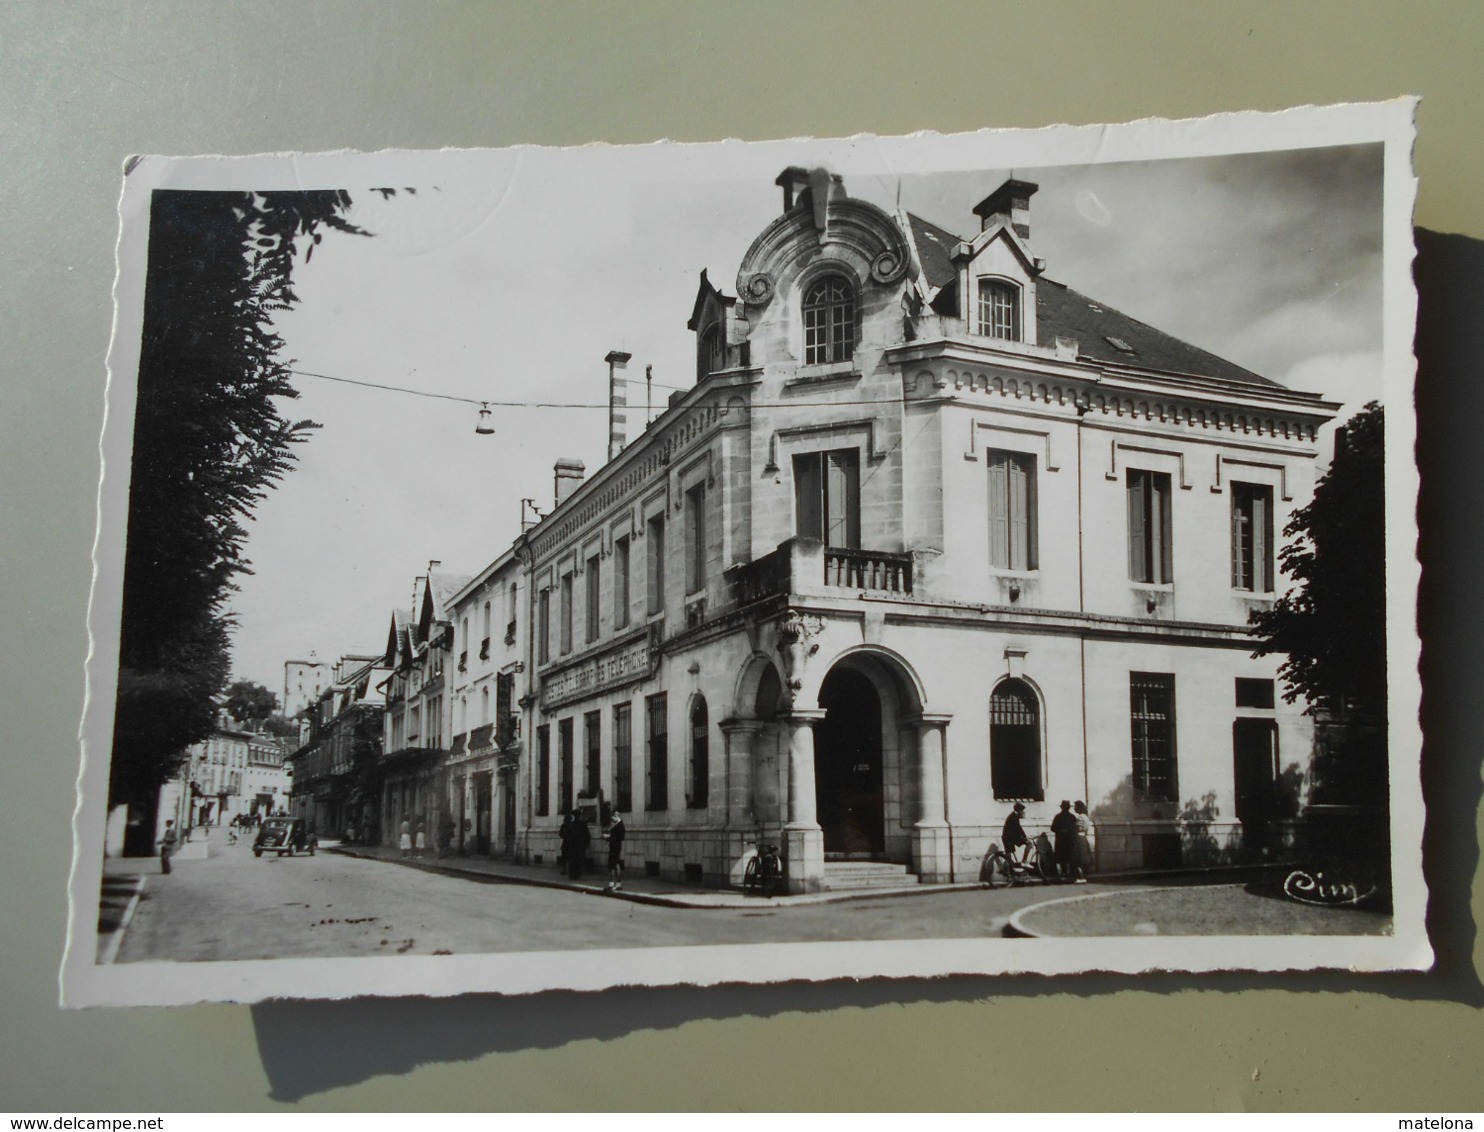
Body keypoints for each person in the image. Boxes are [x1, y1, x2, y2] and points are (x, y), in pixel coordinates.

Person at [1051, 799, 1079, 882]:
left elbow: (1053, 828)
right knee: (1068, 857)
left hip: (1060, 840)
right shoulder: (1072, 817)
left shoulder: (1058, 817)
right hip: (1068, 841)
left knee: (1060, 858)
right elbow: (1074, 829)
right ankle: (1068, 873)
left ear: (1062, 807)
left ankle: (1060, 874)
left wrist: (1060, 830)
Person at [1073, 800, 1095, 883]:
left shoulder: (1080, 817)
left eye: (1075, 807)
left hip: (1079, 837)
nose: (1074, 809)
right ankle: (1083, 876)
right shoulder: (1085, 816)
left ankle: (1081, 877)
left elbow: (1078, 828)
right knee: (1082, 857)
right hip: (1083, 837)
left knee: (1078, 857)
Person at [605, 815, 626, 892]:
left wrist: (608, 838)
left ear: (616, 816)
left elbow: (619, 837)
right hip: (615, 846)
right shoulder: (618, 825)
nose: (611, 819)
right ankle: (617, 884)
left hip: (615, 847)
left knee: (611, 865)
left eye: (612, 817)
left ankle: (612, 884)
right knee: (615, 864)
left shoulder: (619, 825)